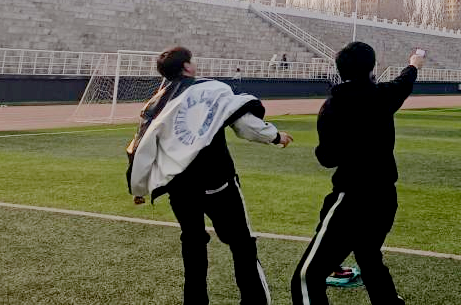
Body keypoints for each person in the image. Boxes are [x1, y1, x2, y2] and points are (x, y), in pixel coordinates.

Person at [128, 46, 293, 305]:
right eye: (191, 60)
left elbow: (141, 146)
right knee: (242, 244)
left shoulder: (156, 103)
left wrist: (138, 188)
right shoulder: (212, 88)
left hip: (180, 189)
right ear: (186, 66)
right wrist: (275, 136)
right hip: (218, 183)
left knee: (192, 244)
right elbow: (244, 124)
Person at [291, 42, 423, 305]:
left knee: (307, 277)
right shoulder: (384, 95)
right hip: (384, 199)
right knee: (369, 258)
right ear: (371, 67)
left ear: (340, 70)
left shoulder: (332, 107)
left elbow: (327, 158)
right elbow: (404, 82)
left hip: (351, 202)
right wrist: (414, 64)